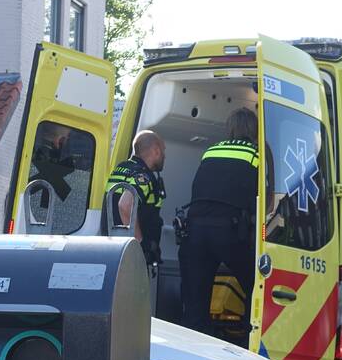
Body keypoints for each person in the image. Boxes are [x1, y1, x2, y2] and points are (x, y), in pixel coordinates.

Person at [179, 108, 259, 340]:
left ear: (230, 127)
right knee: (255, 287)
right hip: (230, 230)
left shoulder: (211, 151)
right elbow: (264, 198)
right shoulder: (256, 154)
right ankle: (247, 341)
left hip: (195, 231)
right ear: (253, 129)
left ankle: (196, 350)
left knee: (195, 300)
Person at [105, 129, 167, 271]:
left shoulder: (121, 168)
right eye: (163, 151)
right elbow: (125, 205)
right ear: (156, 151)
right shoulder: (143, 176)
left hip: (113, 248)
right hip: (129, 256)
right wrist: (139, 245)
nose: (165, 156)